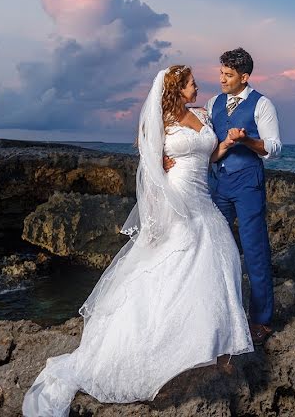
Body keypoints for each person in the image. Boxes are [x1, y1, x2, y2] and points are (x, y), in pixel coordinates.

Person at [22, 65, 254, 417]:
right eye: (192, 84)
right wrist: (161, 190)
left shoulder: (201, 114)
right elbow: (149, 168)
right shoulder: (158, 122)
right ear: (177, 89)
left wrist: (227, 142)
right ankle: (172, 343)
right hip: (177, 198)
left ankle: (217, 346)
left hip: (203, 198)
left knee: (222, 260)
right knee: (182, 263)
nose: (198, 86)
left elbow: (209, 156)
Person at [165, 48, 281, 346]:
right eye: (221, 73)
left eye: (229, 75)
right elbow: (183, 129)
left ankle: (262, 320)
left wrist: (248, 140)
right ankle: (216, 314)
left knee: (254, 251)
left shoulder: (262, 105)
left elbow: (274, 147)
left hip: (248, 185)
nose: (222, 79)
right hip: (217, 185)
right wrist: (162, 156)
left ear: (244, 77)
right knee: (213, 248)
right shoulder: (213, 104)